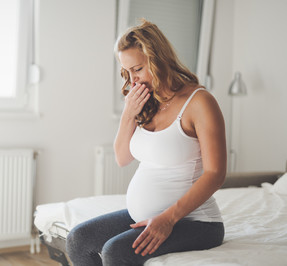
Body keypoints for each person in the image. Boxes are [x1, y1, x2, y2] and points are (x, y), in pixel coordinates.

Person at [66, 19, 226, 266]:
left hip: (195, 222)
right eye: (126, 72)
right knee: (79, 239)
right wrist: (128, 112)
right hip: (147, 216)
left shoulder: (199, 103)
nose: (133, 81)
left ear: (159, 59)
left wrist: (168, 219)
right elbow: (122, 158)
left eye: (138, 69)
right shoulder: (146, 100)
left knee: (116, 252)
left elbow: (216, 174)